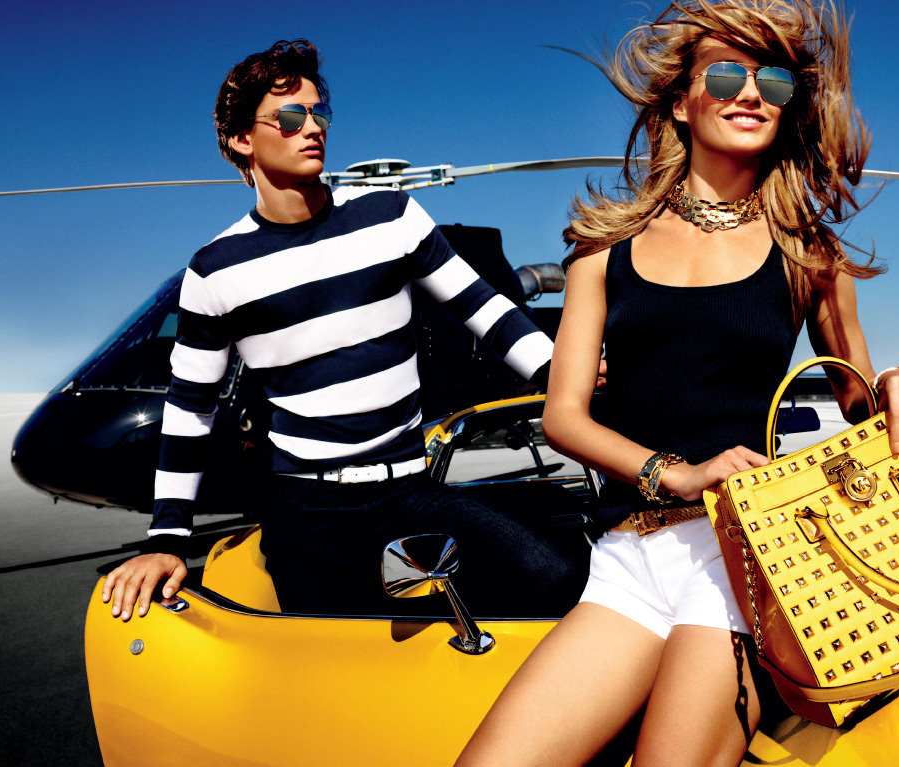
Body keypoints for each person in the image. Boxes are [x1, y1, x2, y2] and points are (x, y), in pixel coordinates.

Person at [456, 1, 899, 764]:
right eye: (723, 76)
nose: (750, 94)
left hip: (744, 557)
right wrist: (674, 473)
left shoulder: (808, 252)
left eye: (772, 83)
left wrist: (895, 383)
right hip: (631, 553)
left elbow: (857, 398)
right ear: (681, 103)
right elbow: (564, 418)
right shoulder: (601, 249)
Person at [101, 39, 581, 621]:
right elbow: (190, 410)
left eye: (318, 113)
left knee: (553, 577)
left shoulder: (392, 217)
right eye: (289, 116)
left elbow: (486, 310)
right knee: (335, 655)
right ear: (242, 140)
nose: (312, 128)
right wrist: (167, 539)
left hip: (411, 488)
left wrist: (564, 374)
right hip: (308, 512)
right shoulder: (213, 271)